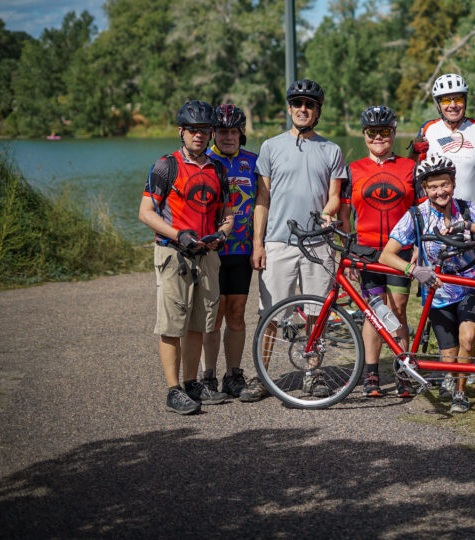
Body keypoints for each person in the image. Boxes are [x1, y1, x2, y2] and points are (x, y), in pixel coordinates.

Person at [242, 79, 349, 402]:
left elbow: (335, 198)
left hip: (318, 243)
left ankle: (312, 374)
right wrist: (258, 243)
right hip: (279, 241)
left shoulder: (331, 149)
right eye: (297, 104)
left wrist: (328, 213)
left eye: (310, 104)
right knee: (270, 313)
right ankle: (262, 376)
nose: (303, 109)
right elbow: (262, 198)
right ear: (289, 108)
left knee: (317, 311)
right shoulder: (271, 147)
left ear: (317, 111)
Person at [379, 156, 475, 415]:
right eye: (433, 187)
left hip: (471, 282)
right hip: (437, 290)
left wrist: (467, 226)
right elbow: (386, 255)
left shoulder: (467, 208)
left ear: (453, 183)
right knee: (449, 354)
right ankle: (451, 375)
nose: (440, 192)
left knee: (467, 340)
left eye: (445, 185)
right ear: (425, 189)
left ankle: (461, 392)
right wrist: (414, 270)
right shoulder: (416, 215)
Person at [138, 100, 233, 415]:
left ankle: (193, 384)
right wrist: (177, 234)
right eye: (193, 129)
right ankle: (173, 390)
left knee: (199, 324)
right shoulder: (166, 166)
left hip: (207, 254)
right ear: (181, 131)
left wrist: (224, 231)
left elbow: (228, 212)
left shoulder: (217, 168)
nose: (199, 135)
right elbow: (145, 212)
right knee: (172, 325)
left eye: (205, 130)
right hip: (174, 253)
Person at [341, 105, 416, 398]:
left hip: (400, 250)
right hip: (366, 251)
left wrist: (420, 248)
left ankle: (403, 370)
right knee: (375, 312)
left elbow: (419, 213)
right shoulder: (354, 168)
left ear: (394, 133)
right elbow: (345, 215)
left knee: (397, 310)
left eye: (384, 131)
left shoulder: (409, 167)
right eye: (372, 132)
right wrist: (348, 251)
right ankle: (371, 374)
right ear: (364, 135)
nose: (378, 137)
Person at [201, 104, 257, 400]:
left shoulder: (253, 161)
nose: (228, 137)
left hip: (242, 250)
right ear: (213, 133)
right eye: (222, 131)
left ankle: (233, 376)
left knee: (236, 314)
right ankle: (207, 378)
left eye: (233, 131)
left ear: (241, 133)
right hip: (212, 249)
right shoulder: (205, 161)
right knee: (213, 315)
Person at [411, 73, 475, 206]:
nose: (452, 105)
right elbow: (412, 172)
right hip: (436, 216)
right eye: (446, 100)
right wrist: (414, 150)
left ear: (465, 101)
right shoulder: (428, 129)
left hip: (472, 216)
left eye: (458, 99)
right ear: (438, 104)